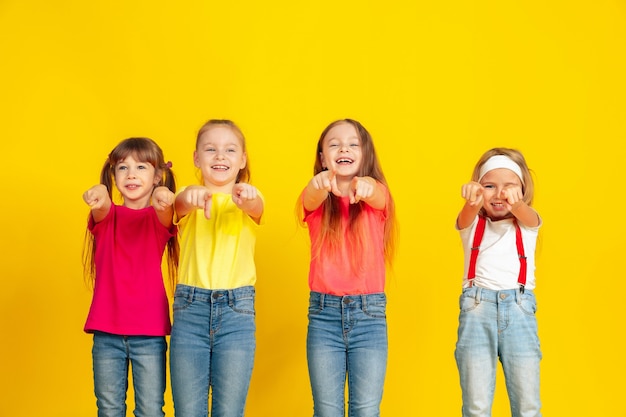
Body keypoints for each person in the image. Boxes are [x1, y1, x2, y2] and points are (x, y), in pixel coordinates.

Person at [298, 119, 397, 417]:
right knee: (326, 410)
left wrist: (366, 187)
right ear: (321, 157)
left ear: (365, 154)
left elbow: (379, 196)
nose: (344, 148)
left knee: (366, 410)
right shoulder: (315, 198)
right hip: (323, 316)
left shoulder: (377, 194)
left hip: (369, 316)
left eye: (354, 144)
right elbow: (310, 198)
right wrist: (319, 184)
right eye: (334, 144)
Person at [169, 119, 264, 417]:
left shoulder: (250, 196)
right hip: (190, 310)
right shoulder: (187, 195)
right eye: (211, 149)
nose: (220, 156)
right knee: (188, 410)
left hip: (237, 313)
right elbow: (178, 206)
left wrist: (246, 198)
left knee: (230, 410)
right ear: (197, 158)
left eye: (230, 150)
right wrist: (191, 196)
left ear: (242, 159)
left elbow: (257, 208)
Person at [82, 137, 178, 417]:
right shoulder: (107, 215)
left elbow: (165, 211)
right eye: (122, 168)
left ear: (157, 176)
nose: (131, 174)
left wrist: (164, 199)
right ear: (113, 176)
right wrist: (99, 192)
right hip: (106, 333)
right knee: (108, 409)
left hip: (149, 333)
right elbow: (101, 205)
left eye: (141, 167)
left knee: (150, 410)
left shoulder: (159, 217)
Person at [454, 148, 542, 417]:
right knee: (476, 406)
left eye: (510, 186)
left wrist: (517, 204)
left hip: (519, 310)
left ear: (523, 189)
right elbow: (465, 216)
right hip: (476, 310)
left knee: (527, 405)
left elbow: (529, 215)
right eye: (489, 186)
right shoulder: (471, 224)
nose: (500, 193)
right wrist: (472, 200)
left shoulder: (528, 224)